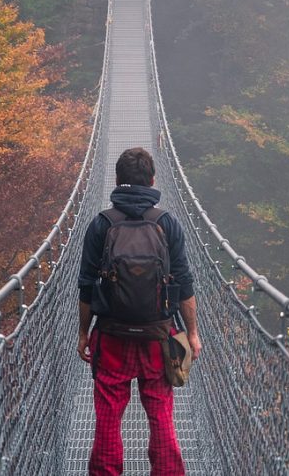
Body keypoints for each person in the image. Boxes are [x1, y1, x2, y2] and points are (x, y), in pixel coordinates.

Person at [77, 147, 201, 476]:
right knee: (160, 415)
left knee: (107, 419)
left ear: (117, 181)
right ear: (153, 181)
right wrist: (192, 334)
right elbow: (185, 283)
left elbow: (87, 285)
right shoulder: (167, 223)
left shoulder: (102, 224)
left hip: (111, 335)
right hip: (158, 337)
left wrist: (83, 333)